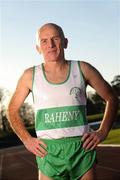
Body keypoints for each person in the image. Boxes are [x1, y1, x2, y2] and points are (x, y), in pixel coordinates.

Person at [7, 23, 118, 180]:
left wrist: (103, 131)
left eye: (55, 38)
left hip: (81, 148)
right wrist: (26, 139)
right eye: (44, 41)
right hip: (48, 152)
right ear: (38, 47)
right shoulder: (29, 76)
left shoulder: (83, 68)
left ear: (65, 42)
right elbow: (11, 110)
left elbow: (111, 98)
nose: (50, 45)